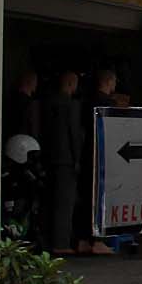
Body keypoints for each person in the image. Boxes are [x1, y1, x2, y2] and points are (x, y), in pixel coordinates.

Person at [41, 68, 87, 254]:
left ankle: (49, 240)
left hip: (49, 158)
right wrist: (78, 159)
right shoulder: (70, 106)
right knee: (65, 203)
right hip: (67, 159)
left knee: (50, 201)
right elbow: (74, 134)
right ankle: (62, 243)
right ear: (70, 84)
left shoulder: (46, 103)